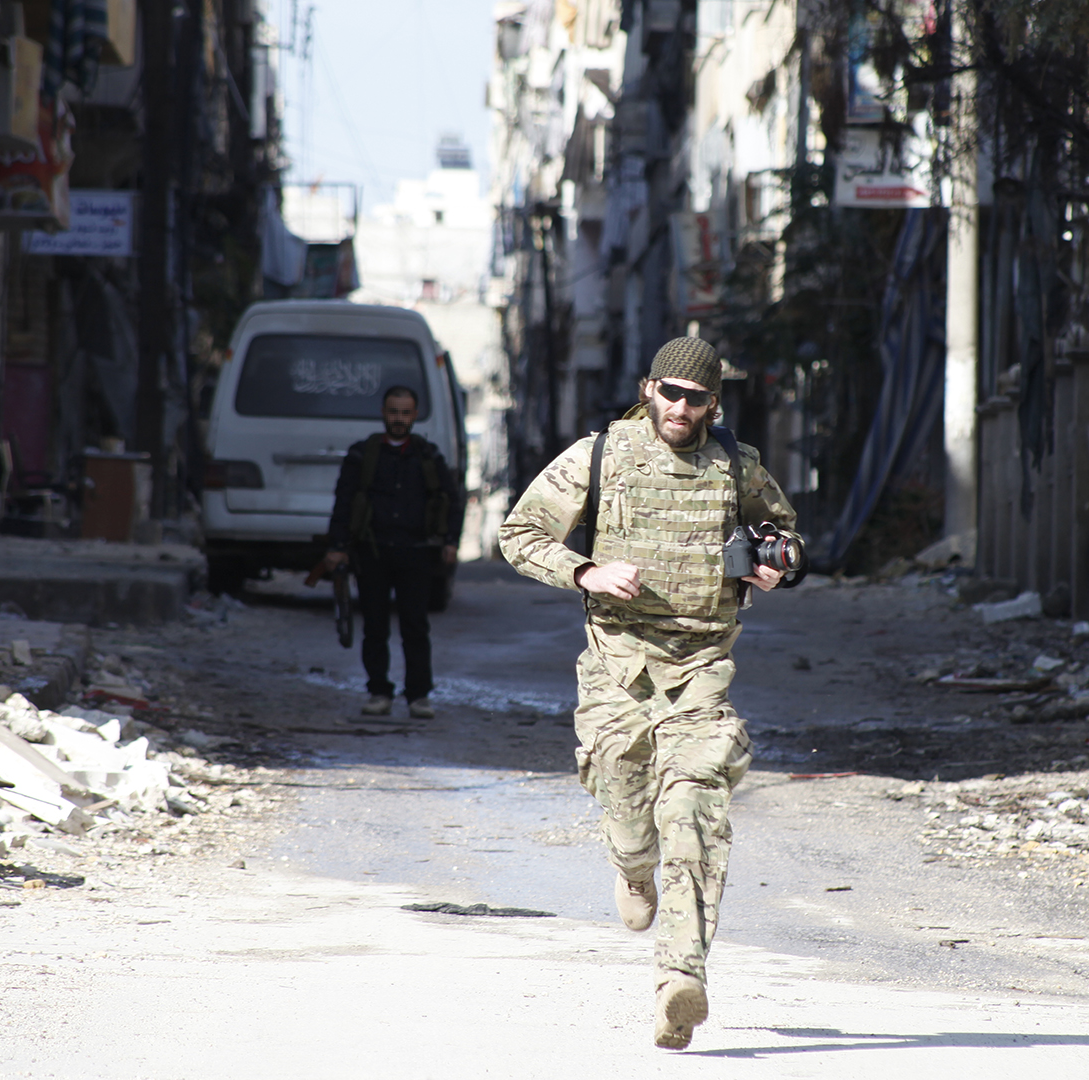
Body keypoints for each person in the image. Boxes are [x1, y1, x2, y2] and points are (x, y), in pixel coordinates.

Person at [498, 336, 803, 1050]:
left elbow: (783, 532)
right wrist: (585, 572)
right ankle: (632, 869)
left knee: (693, 806)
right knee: (626, 799)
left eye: (695, 398)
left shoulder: (736, 464)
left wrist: (776, 563)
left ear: (712, 404)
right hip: (617, 668)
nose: (681, 407)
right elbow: (520, 533)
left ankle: (679, 979)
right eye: (669, 392)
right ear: (648, 389)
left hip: (701, 666)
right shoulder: (600, 456)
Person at [314, 385, 461, 719]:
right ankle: (378, 691)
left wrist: (451, 541)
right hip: (372, 553)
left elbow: (452, 501)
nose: (399, 419)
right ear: (383, 413)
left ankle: (418, 696)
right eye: (393, 412)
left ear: (414, 415)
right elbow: (344, 502)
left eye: (405, 412)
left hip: (416, 553)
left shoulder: (428, 456)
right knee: (375, 627)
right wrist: (337, 547)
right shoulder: (362, 455)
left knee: (415, 626)